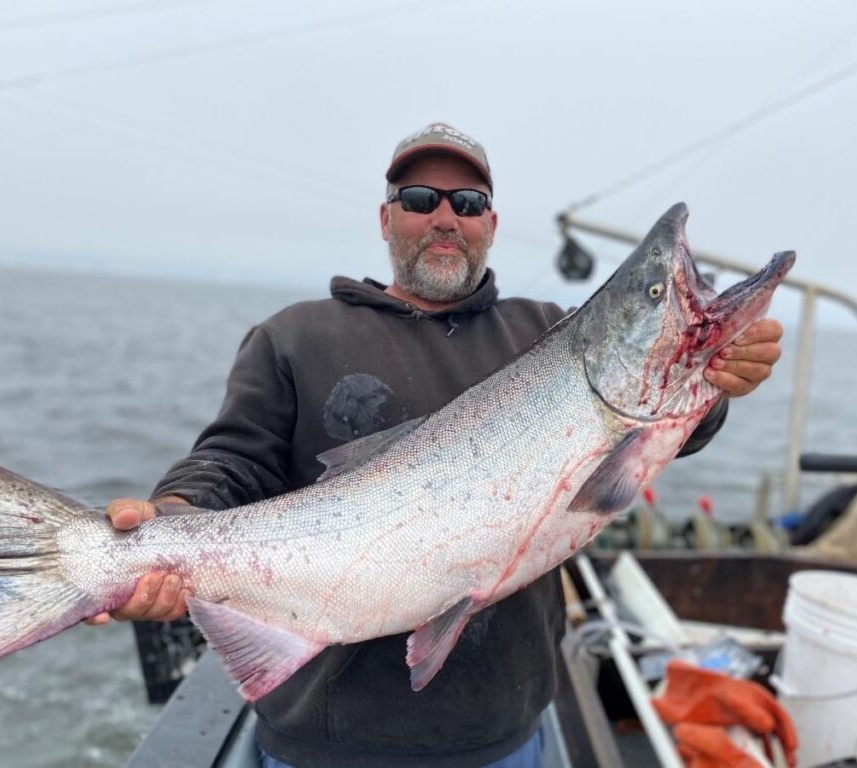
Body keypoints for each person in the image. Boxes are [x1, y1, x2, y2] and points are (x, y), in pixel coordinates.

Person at [86, 123, 783, 767]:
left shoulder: (545, 332)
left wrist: (716, 384)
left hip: (503, 732)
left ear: (491, 225)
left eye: (468, 201)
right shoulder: (294, 337)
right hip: (324, 740)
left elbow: (654, 433)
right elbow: (232, 461)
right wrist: (169, 520)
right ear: (386, 218)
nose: (445, 216)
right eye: (419, 198)